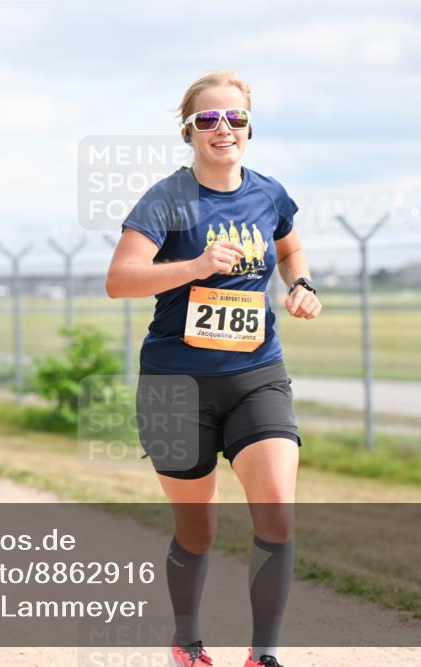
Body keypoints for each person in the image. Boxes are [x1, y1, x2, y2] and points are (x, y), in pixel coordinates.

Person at [105, 71, 322, 667]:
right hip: (175, 384)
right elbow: (119, 280)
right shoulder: (166, 199)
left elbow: (290, 247)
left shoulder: (269, 194)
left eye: (235, 118)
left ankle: (264, 655)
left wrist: (301, 284)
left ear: (249, 127)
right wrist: (196, 266)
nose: (223, 128)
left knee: (276, 510)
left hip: (256, 373)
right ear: (188, 131)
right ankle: (187, 641)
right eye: (208, 119)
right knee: (197, 529)